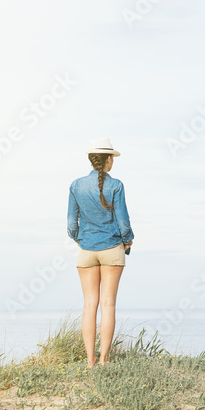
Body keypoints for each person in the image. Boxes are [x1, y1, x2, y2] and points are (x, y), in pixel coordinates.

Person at [67, 138, 134, 367]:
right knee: (108, 305)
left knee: (89, 305)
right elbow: (123, 222)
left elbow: (71, 224)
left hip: (86, 250)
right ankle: (105, 360)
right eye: (112, 159)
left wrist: (81, 240)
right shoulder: (116, 186)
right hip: (112, 249)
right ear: (108, 160)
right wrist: (128, 240)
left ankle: (90, 361)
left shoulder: (75, 185)